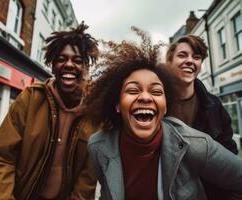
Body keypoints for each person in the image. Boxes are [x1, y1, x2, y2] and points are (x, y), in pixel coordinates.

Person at [85, 28, 242, 200]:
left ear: (166, 107)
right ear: (116, 104)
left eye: (156, 91)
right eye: (133, 90)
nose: (145, 97)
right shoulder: (98, 147)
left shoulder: (197, 144)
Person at [0, 22, 99, 200]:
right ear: (52, 65)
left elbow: (87, 178)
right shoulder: (30, 98)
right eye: (61, 59)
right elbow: (0, 158)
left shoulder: (95, 112)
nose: (68, 64)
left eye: (77, 60)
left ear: (85, 68)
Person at [165, 35, 238, 199]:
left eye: (196, 57)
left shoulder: (214, 106)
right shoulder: (157, 103)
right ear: (169, 62)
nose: (190, 61)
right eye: (182, 55)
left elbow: (228, 156)